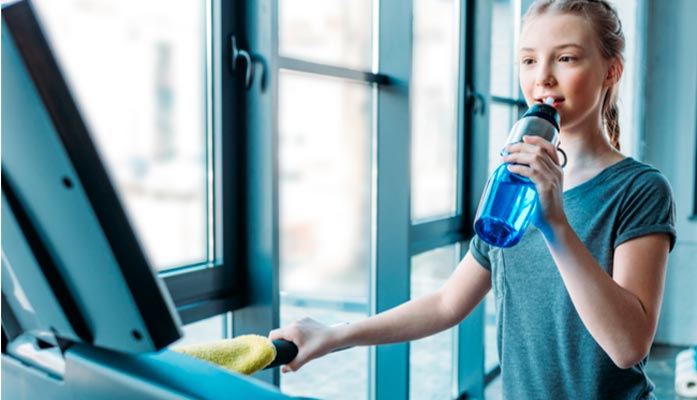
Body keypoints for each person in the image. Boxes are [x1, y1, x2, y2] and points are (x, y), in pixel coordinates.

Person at [269, 1, 676, 398]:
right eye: (529, 60)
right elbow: (447, 303)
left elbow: (628, 348)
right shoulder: (511, 183)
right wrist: (335, 334)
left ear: (612, 70)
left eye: (566, 58)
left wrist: (556, 225)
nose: (543, 78)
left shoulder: (639, 189)